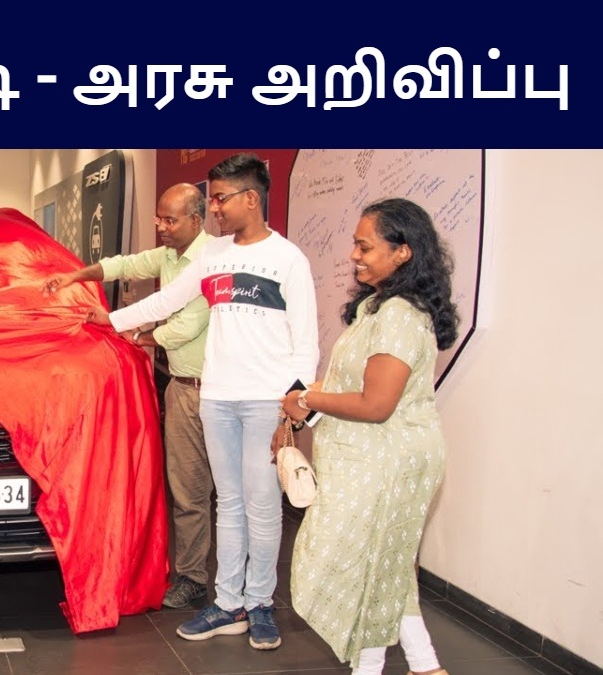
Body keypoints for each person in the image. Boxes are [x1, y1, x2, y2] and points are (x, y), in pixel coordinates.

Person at [88, 153, 319, 650]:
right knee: (228, 505)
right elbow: (166, 301)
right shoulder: (213, 255)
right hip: (217, 398)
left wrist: (295, 406)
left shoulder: (288, 259)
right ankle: (228, 602)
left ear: (251, 198)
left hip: (264, 402)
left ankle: (260, 603)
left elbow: (306, 341)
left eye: (220, 199)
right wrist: (111, 320)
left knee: (262, 506)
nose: (214, 208)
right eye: (212, 199)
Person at [280, 198, 459, 675]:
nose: (354, 255)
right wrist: (307, 398)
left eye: (365, 246)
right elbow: (353, 383)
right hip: (373, 459)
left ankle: (370, 668)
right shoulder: (378, 308)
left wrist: (310, 400)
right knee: (385, 564)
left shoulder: (399, 315)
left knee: (362, 566)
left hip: (387, 463)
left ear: (402, 252)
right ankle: (426, 667)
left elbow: (376, 405)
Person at [43, 182, 215, 609]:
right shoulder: (169, 256)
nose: (161, 226)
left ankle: (239, 588)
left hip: (220, 392)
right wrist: (74, 276)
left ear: (196, 220)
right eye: (159, 218)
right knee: (188, 492)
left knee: (231, 498)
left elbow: (186, 326)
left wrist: (131, 333)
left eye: (169, 220)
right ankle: (193, 577)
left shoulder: (212, 259)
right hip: (183, 389)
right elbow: (124, 265)